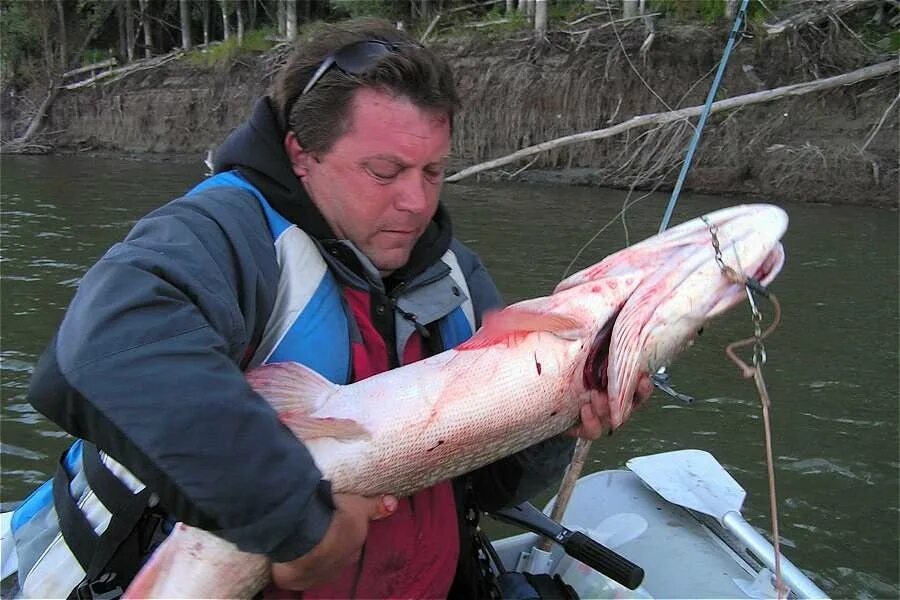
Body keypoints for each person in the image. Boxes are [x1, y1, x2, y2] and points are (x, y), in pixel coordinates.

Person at [11, 18, 650, 599]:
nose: (415, 202)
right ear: (301, 154)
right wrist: (296, 520)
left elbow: (487, 488)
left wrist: (552, 426)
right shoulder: (220, 234)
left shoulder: (453, 270)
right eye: (384, 171)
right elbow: (101, 355)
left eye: (432, 171)